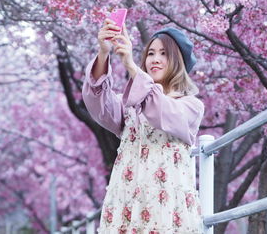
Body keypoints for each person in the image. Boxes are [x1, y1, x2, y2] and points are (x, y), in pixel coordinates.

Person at [82, 18, 205, 233]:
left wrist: (130, 64)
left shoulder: (191, 106)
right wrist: (104, 53)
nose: (155, 59)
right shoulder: (131, 106)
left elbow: (161, 111)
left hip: (166, 205)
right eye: (150, 53)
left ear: (179, 62)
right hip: (127, 201)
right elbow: (98, 104)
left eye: (164, 54)